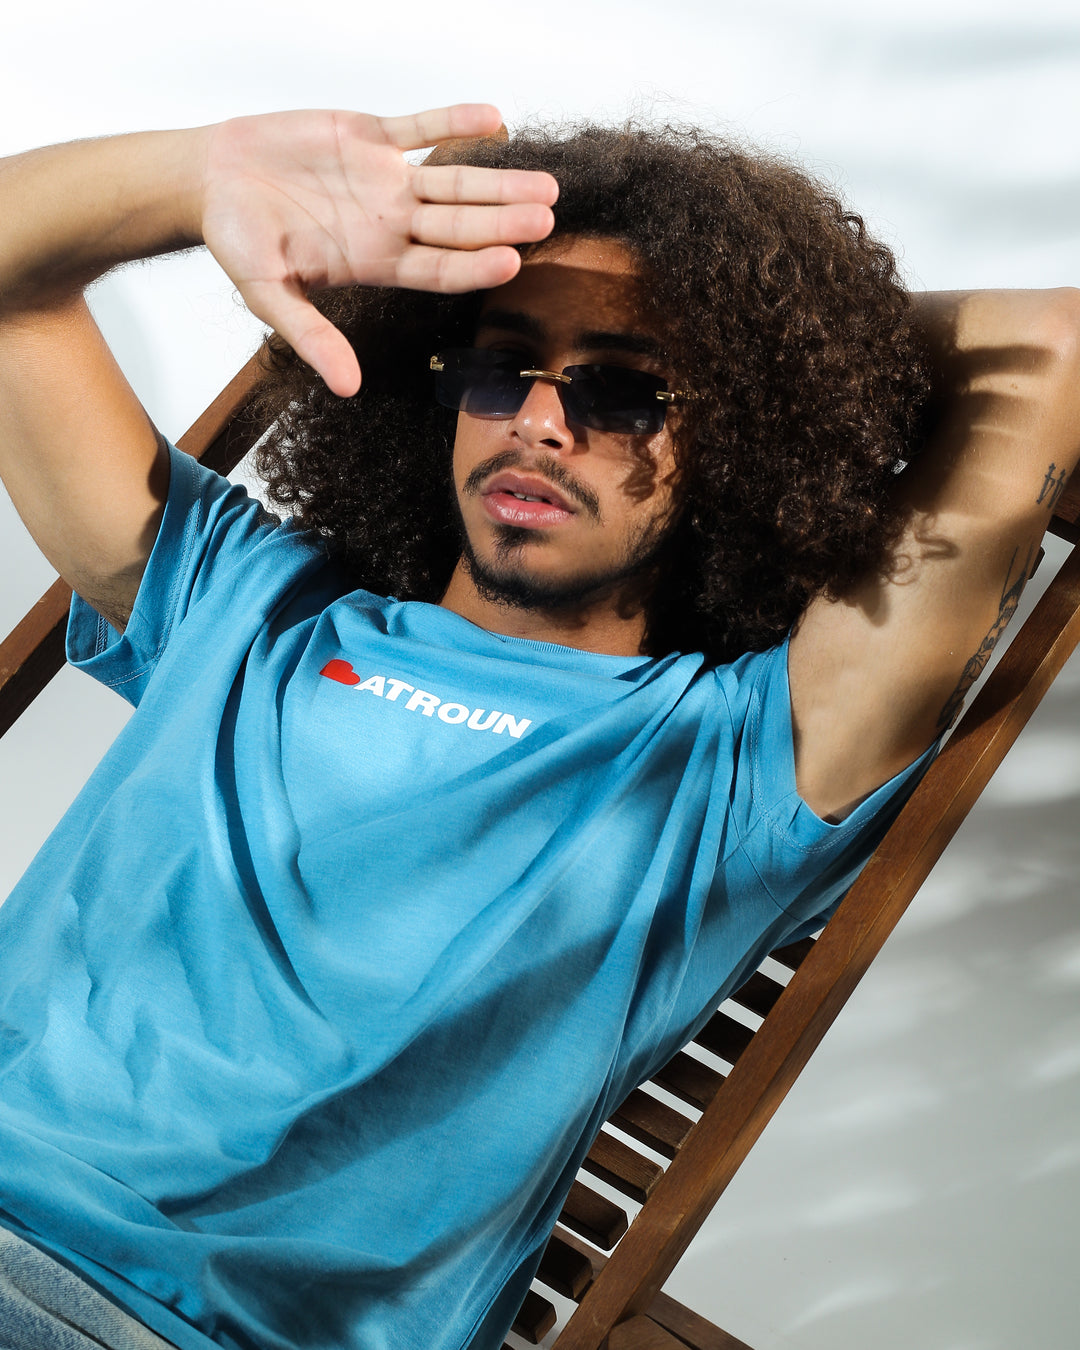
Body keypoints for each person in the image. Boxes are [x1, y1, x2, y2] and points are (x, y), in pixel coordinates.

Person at [0, 102, 1077, 1350]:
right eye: (503, 366)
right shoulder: (238, 596)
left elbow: (1047, 340)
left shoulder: (733, 768)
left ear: (738, 444)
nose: (540, 421)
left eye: (623, 391)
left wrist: (783, 334)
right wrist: (201, 177)